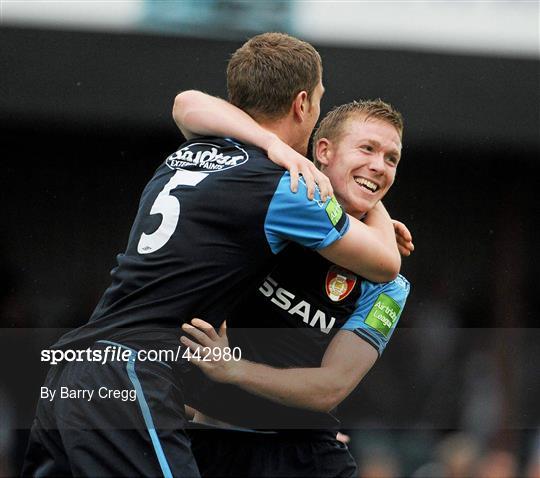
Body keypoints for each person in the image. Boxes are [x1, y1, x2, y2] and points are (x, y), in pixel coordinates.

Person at [22, 33, 401, 477]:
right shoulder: (287, 189)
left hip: (77, 368)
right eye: (319, 100)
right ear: (303, 105)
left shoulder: (189, 153)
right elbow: (385, 262)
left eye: (391, 158)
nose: (379, 164)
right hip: (132, 371)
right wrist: (375, 210)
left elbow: (186, 104)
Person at [177, 97, 411, 477]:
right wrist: (276, 147)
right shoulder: (271, 201)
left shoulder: (389, 285)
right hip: (211, 442)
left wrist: (234, 369)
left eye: (391, 159)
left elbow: (330, 388)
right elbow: (188, 107)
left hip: (306, 454)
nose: (379, 165)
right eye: (367, 148)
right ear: (323, 151)